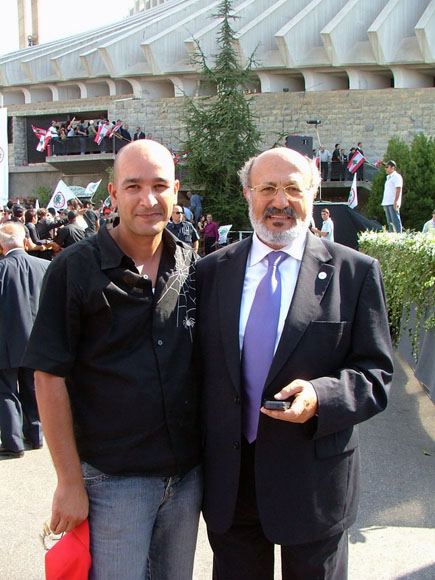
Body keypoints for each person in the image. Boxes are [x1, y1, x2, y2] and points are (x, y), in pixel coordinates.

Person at [196, 146, 393, 580]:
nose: (280, 201)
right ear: (249, 194)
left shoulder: (354, 273)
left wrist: (321, 396)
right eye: (267, 188)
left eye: (292, 188)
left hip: (314, 482)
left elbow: (376, 374)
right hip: (232, 483)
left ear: (313, 194)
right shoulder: (210, 273)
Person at [23, 140, 201, 580]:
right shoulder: (74, 269)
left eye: (160, 186)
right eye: (134, 186)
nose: (148, 199)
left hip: (186, 479)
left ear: (176, 191)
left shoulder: (192, 264)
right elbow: (48, 377)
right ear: (113, 192)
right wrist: (68, 481)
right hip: (113, 481)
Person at [0, 222, 49, 458]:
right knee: (33, 388)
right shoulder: (45, 266)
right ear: (25, 241)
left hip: (7, 340)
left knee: (6, 391)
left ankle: (13, 441)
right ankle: (36, 434)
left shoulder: (2, 269)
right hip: (38, 339)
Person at [381, 160, 403, 233]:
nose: (385, 168)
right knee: (390, 222)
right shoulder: (388, 178)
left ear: (392, 167)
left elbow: (398, 189)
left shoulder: (397, 177)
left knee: (395, 221)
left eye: (387, 167)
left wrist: (396, 201)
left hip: (393, 202)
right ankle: (392, 236)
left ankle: (398, 236)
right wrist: (384, 203)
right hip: (387, 202)